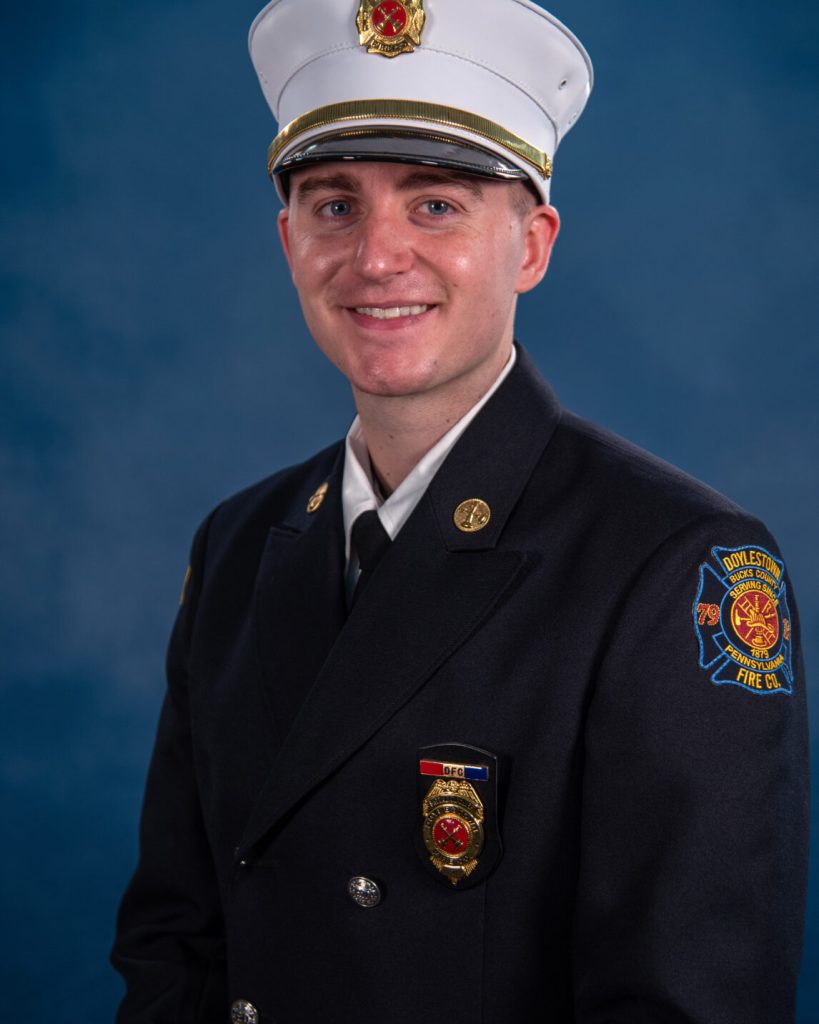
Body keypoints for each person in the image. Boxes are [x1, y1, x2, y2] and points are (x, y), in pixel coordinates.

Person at [112, 0, 809, 1021]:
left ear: (531, 246)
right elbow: (175, 944)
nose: (377, 257)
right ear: (287, 238)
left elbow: (689, 1001)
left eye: (436, 205)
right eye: (333, 204)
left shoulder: (674, 566)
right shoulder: (241, 543)